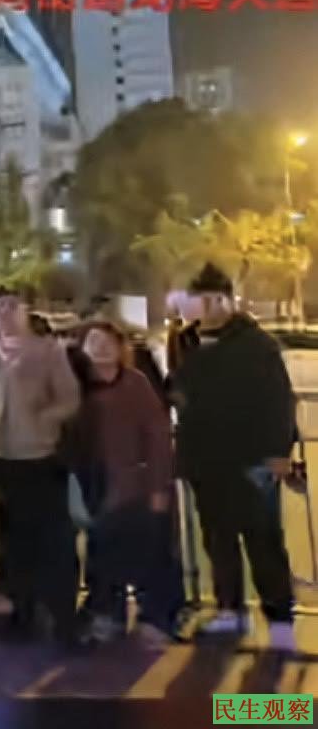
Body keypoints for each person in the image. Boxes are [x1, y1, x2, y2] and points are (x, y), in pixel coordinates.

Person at [173, 263, 296, 649]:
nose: (207, 308)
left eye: (214, 300)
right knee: (218, 538)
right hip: (205, 459)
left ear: (227, 301)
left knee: (262, 539)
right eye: (200, 300)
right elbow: (179, 391)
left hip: (252, 457)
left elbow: (279, 400)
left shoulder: (257, 344)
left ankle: (279, 618)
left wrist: (279, 452)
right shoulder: (185, 341)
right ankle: (230, 610)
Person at [0, 293, 81, 646]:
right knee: (13, 542)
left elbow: (70, 398)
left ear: (25, 313)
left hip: (40, 459)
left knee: (54, 540)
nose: (5, 314)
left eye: (12, 307)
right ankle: (21, 612)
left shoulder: (48, 351)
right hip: (0, 459)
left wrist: (45, 418)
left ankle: (63, 619)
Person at [74, 320, 183, 649]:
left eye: (108, 342)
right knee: (103, 556)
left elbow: (157, 437)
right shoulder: (75, 388)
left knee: (152, 555)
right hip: (96, 486)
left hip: (138, 485)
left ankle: (156, 619)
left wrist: (158, 486)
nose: (101, 349)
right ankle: (108, 616)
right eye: (93, 342)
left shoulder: (136, 384)